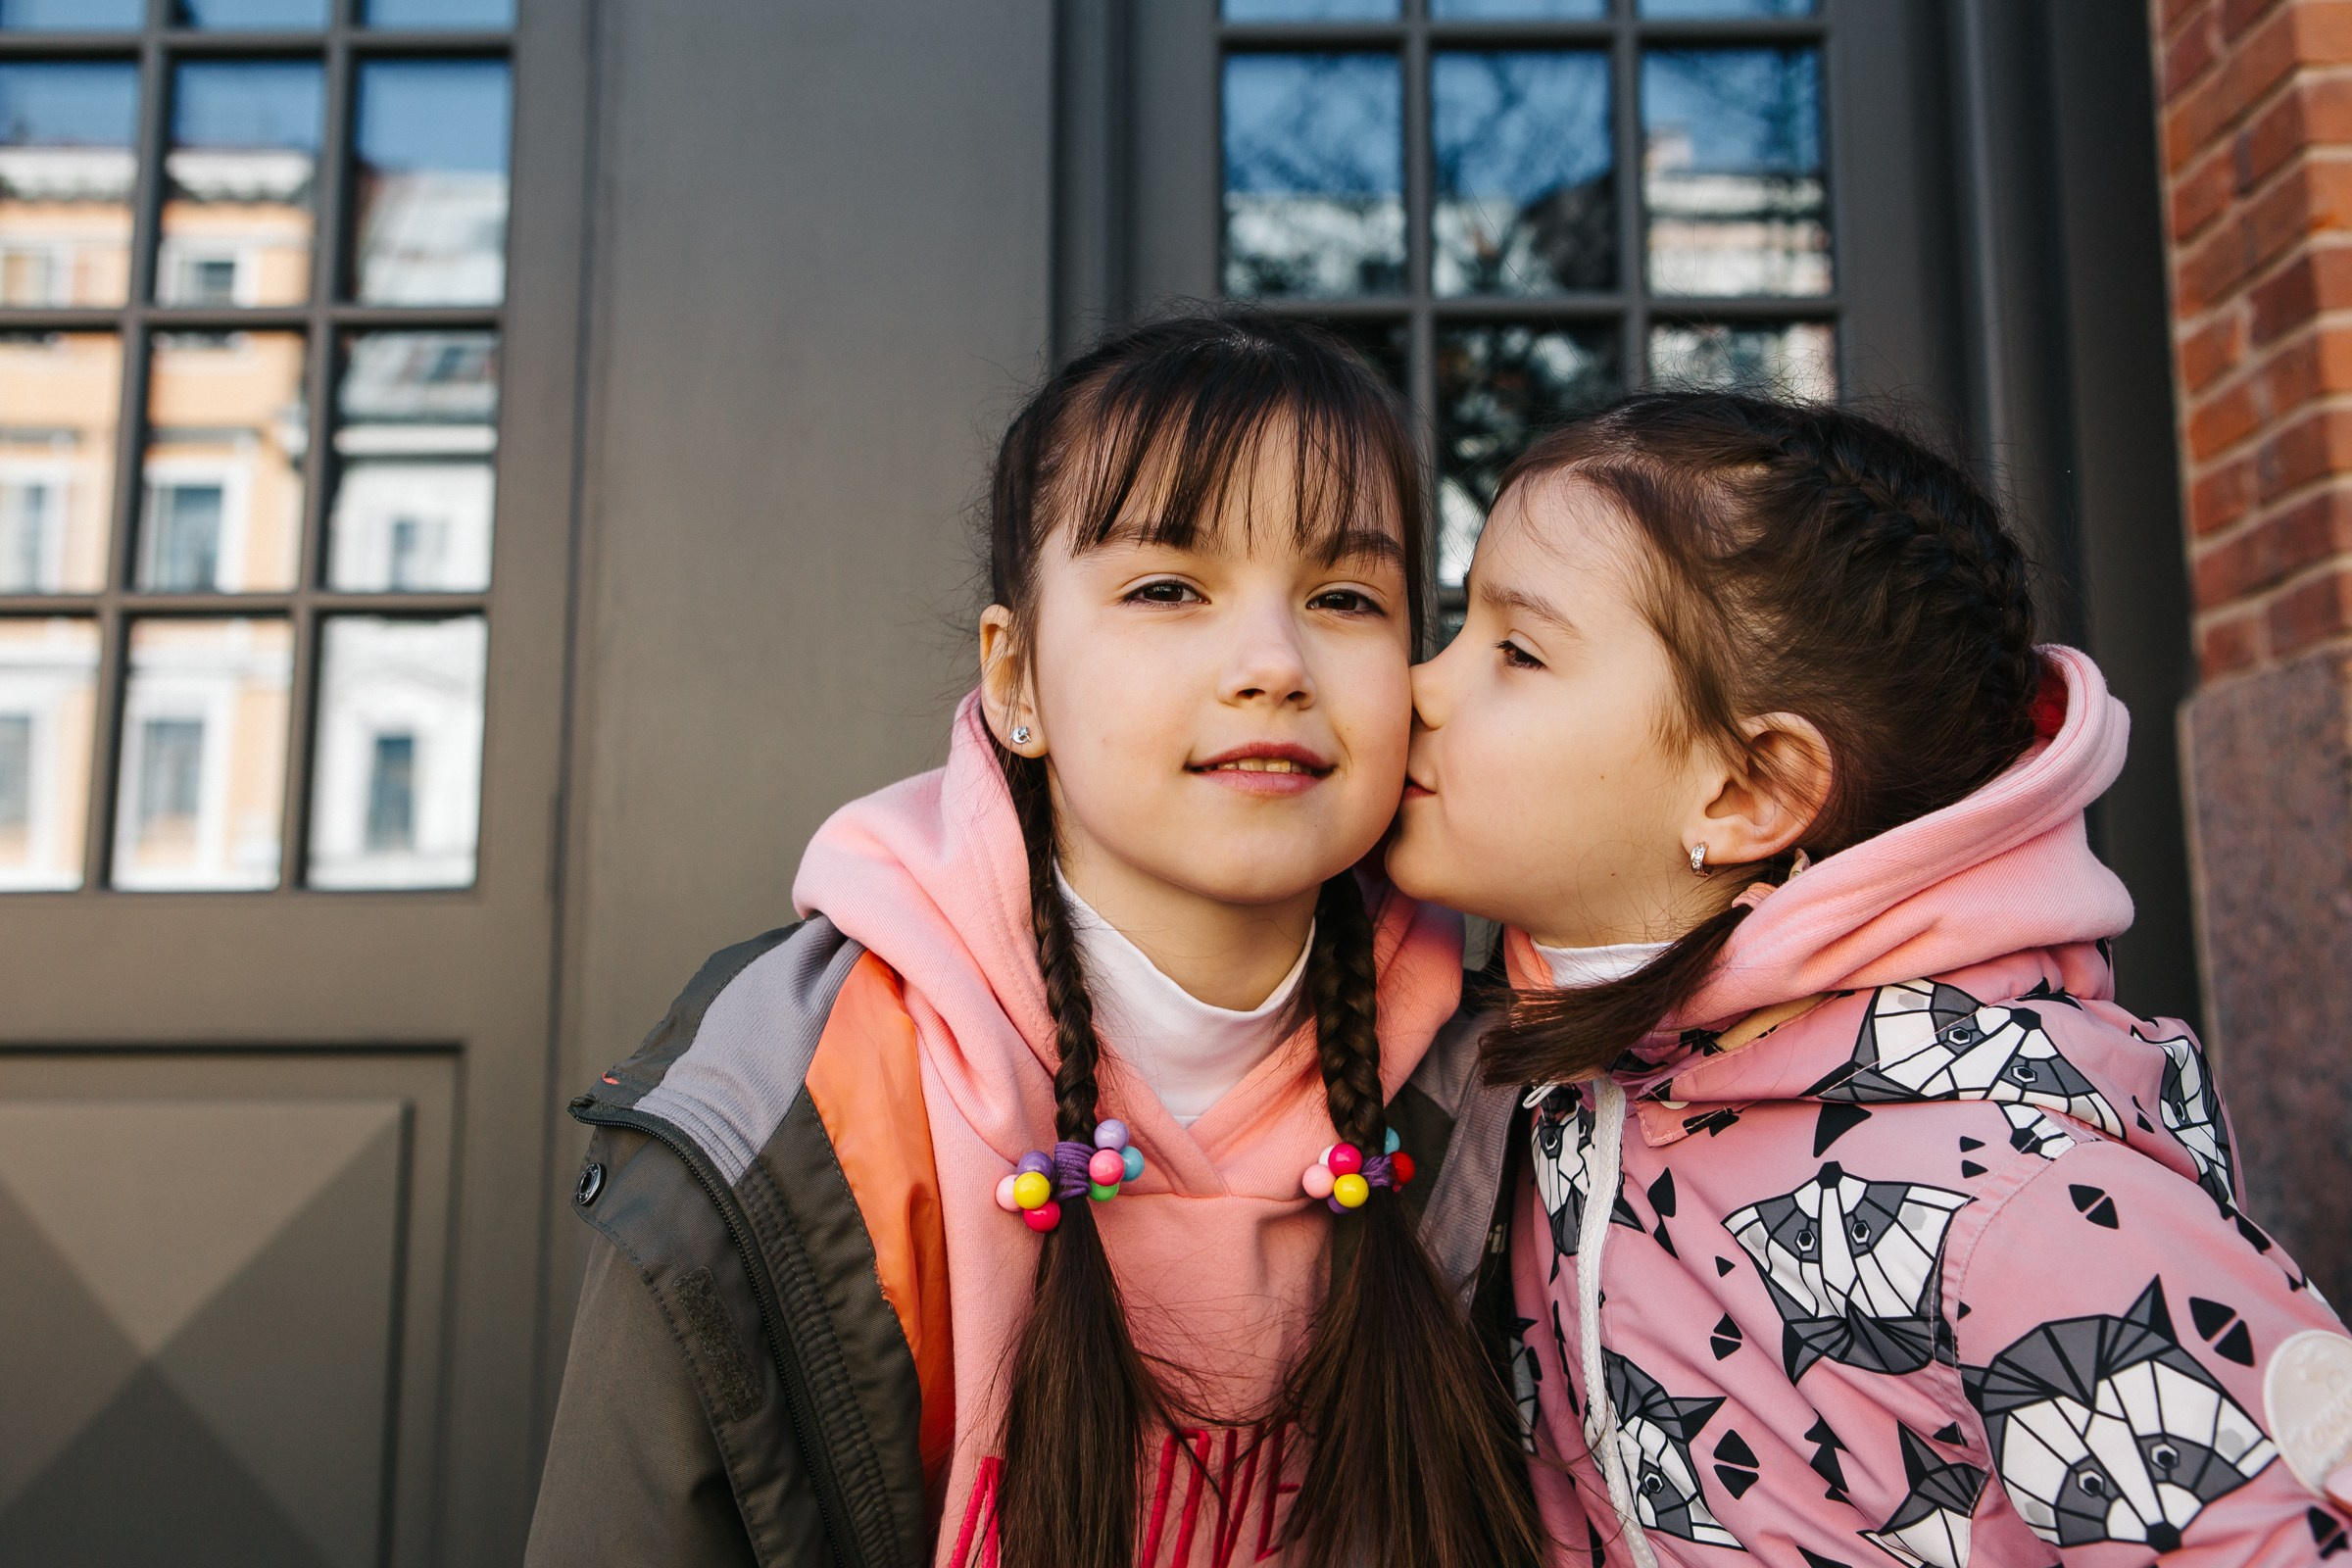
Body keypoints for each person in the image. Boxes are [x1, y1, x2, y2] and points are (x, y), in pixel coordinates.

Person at [524, 311, 1543, 1568]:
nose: (1273, 662)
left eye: (1345, 596)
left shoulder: (1511, 1091)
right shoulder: (789, 1099)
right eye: (1168, 587)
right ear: (1015, 682)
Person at [1387, 391, 2352, 1566]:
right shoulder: (1570, 1083)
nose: (1420, 685)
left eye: (1516, 651)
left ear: (1746, 792)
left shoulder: (2020, 1203)